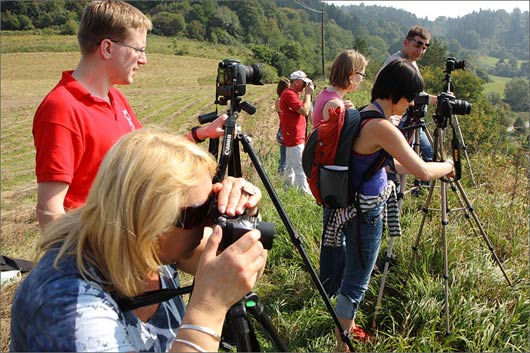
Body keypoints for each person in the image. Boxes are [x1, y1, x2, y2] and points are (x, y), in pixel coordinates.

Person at [10, 128, 268, 352]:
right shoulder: (68, 305)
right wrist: (208, 310)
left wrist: (239, 214)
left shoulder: (140, 249)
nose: (207, 223)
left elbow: (233, 271)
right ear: (152, 223)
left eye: (212, 203)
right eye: (201, 212)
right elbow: (218, 283)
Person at [33, 0, 226, 229]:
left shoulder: (115, 98)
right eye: (139, 50)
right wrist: (86, 262)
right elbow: (49, 211)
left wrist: (199, 134)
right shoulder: (61, 109)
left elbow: (144, 158)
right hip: (99, 253)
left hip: (131, 240)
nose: (144, 60)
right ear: (107, 48)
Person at [326, 59, 454, 349]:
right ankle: (342, 344)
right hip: (365, 213)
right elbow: (422, 171)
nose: (410, 105)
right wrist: (447, 165)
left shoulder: (364, 114)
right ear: (396, 94)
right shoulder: (382, 127)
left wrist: (427, 165)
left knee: (353, 275)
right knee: (356, 282)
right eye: (409, 99)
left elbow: (391, 164)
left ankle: (348, 327)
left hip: (353, 208)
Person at [312, 49, 368, 297]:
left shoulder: (327, 96)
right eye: (361, 74)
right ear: (350, 74)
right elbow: (342, 146)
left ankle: (330, 282)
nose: (362, 79)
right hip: (333, 177)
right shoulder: (335, 104)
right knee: (334, 233)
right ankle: (331, 287)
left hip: (326, 173)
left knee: (332, 230)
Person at [381, 25, 436, 163]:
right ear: (406, 42)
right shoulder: (398, 63)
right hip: (396, 120)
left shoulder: (412, 62)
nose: (421, 51)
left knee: (429, 155)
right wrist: (436, 100)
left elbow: (416, 92)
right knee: (394, 161)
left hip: (411, 120)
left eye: (424, 47)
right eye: (418, 45)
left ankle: (422, 183)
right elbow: (407, 96)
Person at [279, 70, 314, 195]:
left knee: (290, 167)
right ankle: (306, 195)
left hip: (292, 135)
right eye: (304, 83)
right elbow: (305, 111)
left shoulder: (291, 93)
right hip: (294, 136)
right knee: (300, 167)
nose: (305, 86)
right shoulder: (289, 94)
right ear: (298, 82)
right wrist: (308, 94)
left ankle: (287, 190)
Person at [274, 78, 290, 175]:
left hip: (283, 130)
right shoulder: (280, 100)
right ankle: (281, 179)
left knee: (285, 159)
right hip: (284, 131)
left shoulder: (281, 100)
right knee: (284, 160)